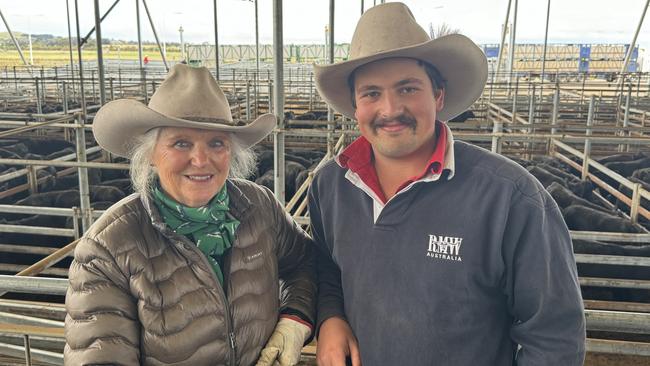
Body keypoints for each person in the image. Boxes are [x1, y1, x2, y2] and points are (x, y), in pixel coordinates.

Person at [308, 3, 586, 366]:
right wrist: (330, 316)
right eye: (371, 93)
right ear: (355, 106)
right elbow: (326, 267)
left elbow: (554, 337)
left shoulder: (511, 198)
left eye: (407, 89)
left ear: (438, 96)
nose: (390, 109)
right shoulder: (331, 185)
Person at [65, 64, 316, 366]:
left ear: (231, 153)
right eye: (181, 143)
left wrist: (295, 317)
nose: (200, 160)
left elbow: (307, 261)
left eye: (216, 143)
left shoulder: (258, 205)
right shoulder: (110, 245)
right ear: (152, 154)